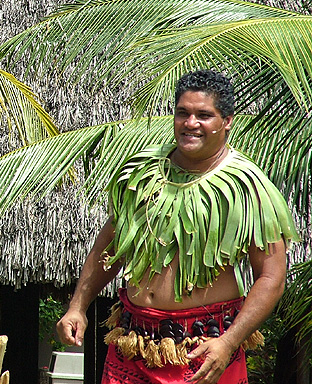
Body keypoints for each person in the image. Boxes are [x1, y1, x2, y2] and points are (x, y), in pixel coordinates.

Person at [56, 70, 298, 384]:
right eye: (182, 113)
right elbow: (111, 245)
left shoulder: (247, 188)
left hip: (205, 348)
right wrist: (77, 307)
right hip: (134, 341)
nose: (191, 123)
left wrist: (229, 341)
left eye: (204, 115)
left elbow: (271, 277)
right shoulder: (142, 173)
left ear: (227, 121)